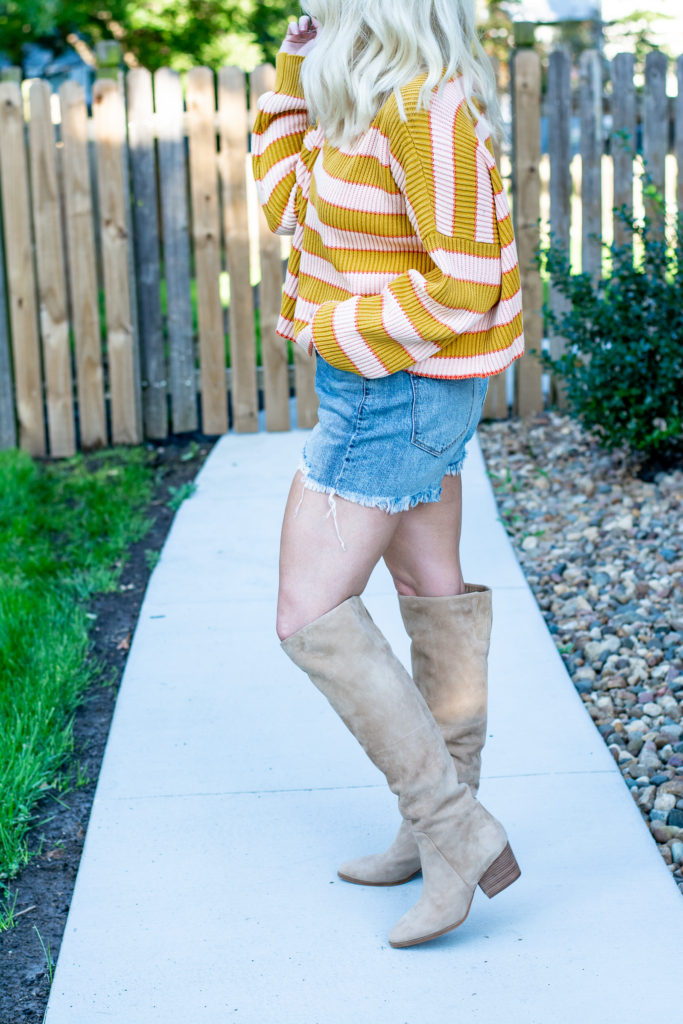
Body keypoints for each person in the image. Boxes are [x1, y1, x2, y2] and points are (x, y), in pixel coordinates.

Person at [251, 0, 523, 948]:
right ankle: (431, 834)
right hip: (392, 379)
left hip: (390, 386)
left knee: (307, 615)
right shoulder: (354, 94)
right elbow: (282, 203)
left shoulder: (421, 107)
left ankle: (456, 832)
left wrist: (336, 328)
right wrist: (293, 65)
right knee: (428, 589)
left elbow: (466, 279)